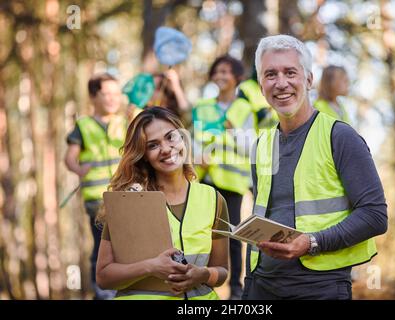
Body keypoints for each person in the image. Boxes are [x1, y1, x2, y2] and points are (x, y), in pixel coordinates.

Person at [242, 35, 388, 300]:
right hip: (261, 287)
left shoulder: (340, 137)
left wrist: (311, 242)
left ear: (308, 80)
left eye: (290, 72)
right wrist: (249, 285)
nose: (281, 83)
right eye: (270, 74)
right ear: (261, 86)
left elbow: (375, 215)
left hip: (320, 288)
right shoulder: (261, 145)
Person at [95, 107, 229, 300]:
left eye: (171, 137)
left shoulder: (213, 199)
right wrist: (151, 266)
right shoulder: (129, 200)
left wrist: (204, 274)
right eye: (153, 145)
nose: (166, 148)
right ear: (143, 155)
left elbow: (222, 271)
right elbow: (103, 277)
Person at [192, 55, 256, 300]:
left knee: (232, 236)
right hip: (206, 179)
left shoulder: (244, 108)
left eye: (226, 72)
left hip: (233, 183)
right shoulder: (203, 107)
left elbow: (250, 146)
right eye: (216, 71)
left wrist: (233, 130)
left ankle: (236, 290)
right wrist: (199, 156)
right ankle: (203, 283)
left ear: (237, 77)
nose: (220, 76)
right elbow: (196, 138)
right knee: (203, 232)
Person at [64, 73, 127, 299]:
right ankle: (103, 292)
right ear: (93, 96)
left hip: (125, 195)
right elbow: (69, 157)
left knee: (126, 243)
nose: (112, 99)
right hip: (97, 198)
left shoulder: (125, 122)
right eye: (106, 94)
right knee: (103, 244)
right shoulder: (83, 125)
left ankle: (125, 289)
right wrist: (78, 169)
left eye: (116, 94)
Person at [125, 69, 190, 125]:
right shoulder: (142, 110)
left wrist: (176, 85)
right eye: (150, 85)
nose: (151, 90)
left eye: (158, 86)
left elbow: (185, 109)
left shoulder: (173, 110)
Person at [237, 65, 279, 130]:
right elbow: (239, 115)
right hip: (254, 135)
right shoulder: (245, 87)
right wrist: (260, 114)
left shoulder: (279, 86)